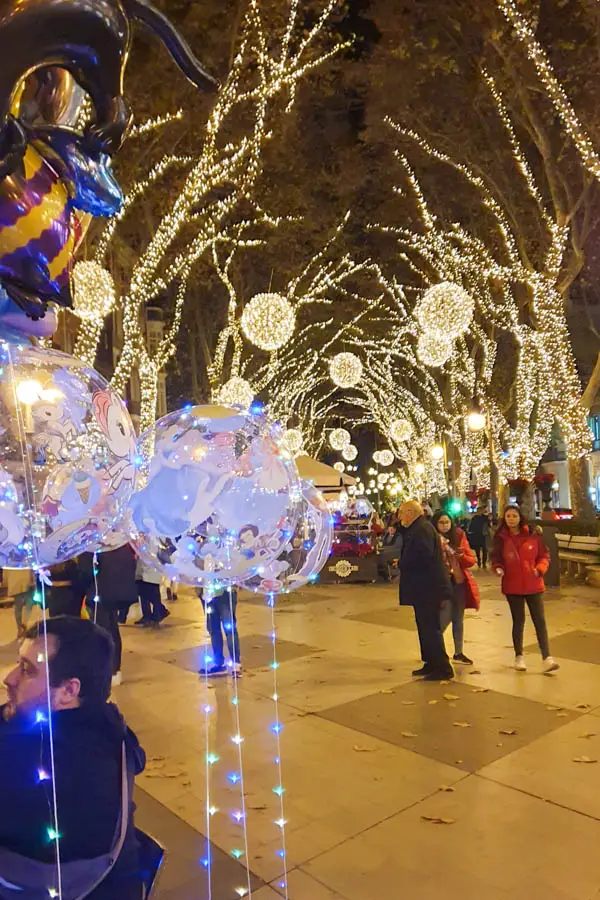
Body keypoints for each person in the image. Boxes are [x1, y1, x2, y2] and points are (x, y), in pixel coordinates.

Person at [0, 616, 145, 899]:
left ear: (69, 691)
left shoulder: (50, 764)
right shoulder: (108, 723)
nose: (9, 677)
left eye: (27, 670)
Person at [490, 504, 559, 674]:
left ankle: (546, 657)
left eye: (514, 515)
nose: (512, 519)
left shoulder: (533, 535)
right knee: (518, 621)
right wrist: (498, 568)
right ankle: (519, 656)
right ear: (504, 519)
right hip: (512, 585)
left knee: (539, 621)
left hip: (533, 584)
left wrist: (540, 569)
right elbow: (496, 558)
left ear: (520, 517)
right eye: (508, 516)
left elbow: (544, 555)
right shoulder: (501, 538)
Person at [398, 500, 454, 681]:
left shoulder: (421, 529)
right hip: (423, 587)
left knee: (430, 627)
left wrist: (402, 563)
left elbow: (423, 555)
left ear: (410, 512)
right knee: (424, 626)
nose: (399, 516)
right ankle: (430, 662)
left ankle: (442, 667)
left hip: (428, 587)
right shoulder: (419, 528)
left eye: (402, 512)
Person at [80, 544, 138, 687]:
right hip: (116, 593)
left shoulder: (93, 544)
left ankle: (107, 670)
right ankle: (115, 669)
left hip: (100, 592)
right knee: (112, 628)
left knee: (103, 631)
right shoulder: (120, 543)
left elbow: (84, 571)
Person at [433, 511, 480, 666]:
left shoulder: (459, 536)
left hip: (458, 581)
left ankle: (458, 652)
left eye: (447, 522)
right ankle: (435, 651)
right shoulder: (432, 538)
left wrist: (462, 557)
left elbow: (470, 560)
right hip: (442, 583)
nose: (445, 525)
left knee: (458, 619)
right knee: (444, 618)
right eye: (441, 522)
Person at [198, 587, 242, 678]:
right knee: (213, 629)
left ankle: (236, 663)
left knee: (229, 629)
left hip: (224, 591)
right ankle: (219, 663)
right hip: (207, 593)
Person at [135, 558, 170, 627]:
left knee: (153, 596)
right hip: (145, 573)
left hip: (151, 572)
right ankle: (149, 616)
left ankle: (156, 616)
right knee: (145, 596)